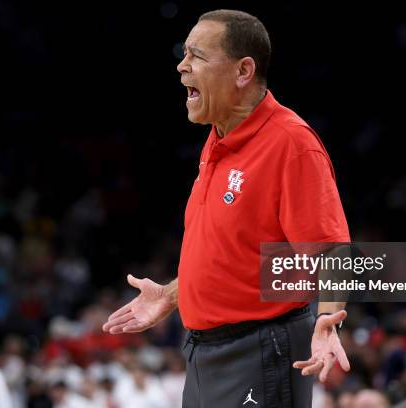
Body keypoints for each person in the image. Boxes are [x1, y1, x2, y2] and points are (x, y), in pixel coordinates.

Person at [103, 9, 351, 407]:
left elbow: (334, 250)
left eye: (197, 56)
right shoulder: (219, 138)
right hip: (205, 352)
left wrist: (327, 319)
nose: (182, 66)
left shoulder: (290, 143)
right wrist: (172, 295)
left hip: (260, 350)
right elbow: (233, 258)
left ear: (243, 71)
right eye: (184, 54)